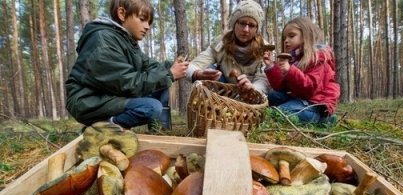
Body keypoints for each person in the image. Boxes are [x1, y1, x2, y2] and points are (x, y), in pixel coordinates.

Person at [66, 0, 188, 130]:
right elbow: (127, 84)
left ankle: (160, 129)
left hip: (109, 94)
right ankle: (104, 127)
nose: (147, 26)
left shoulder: (126, 40)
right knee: (151, 107)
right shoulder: (103, 40)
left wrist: (193, 72)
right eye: (142, 19)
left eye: (149, 22)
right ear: (122, 14)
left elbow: (154, 67)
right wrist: (170, 74)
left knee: (162, 77)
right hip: (88, 100)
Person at [263, 16, 340, 125]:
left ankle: (325, 119)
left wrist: (290, 71)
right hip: (299, 98)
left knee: (279, 113)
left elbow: (309, 89)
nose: (286, 41)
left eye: (291, 36)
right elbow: (280, 87)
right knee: (272, 96)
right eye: (284, 38)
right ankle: (288, 110)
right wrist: (271, 66)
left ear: (306, 36)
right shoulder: (293, 59)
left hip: (314, 104)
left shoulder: (319, 58)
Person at [186, 0, 270, 95]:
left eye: (251, 25)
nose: (246, 30)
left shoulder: (265, 49)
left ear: (256, 29)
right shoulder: (220, 44)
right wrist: (198, 74)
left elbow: (263, 80)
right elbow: (191, 66)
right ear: (234, 24)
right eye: (242, 23)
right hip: (225, 94)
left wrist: (253, 88)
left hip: (251, 97)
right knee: (210, 68)